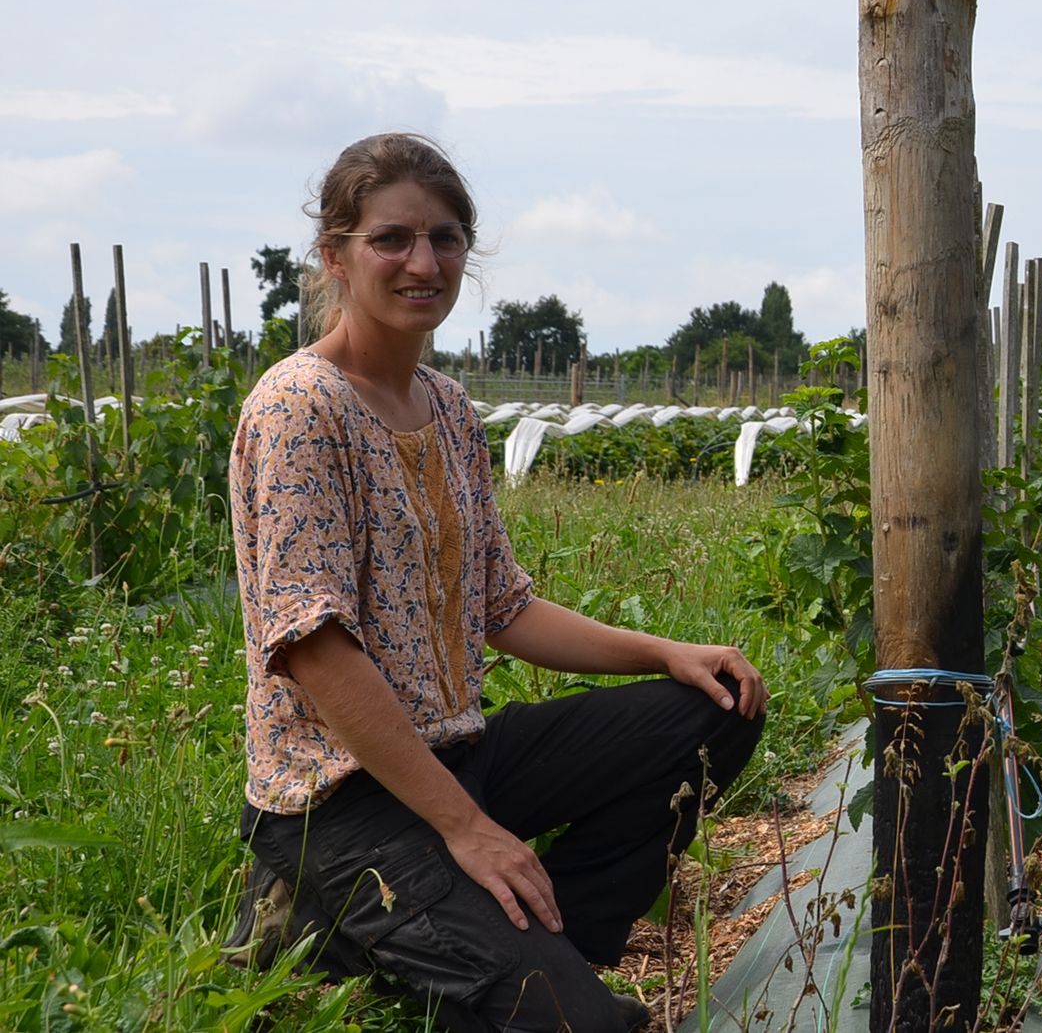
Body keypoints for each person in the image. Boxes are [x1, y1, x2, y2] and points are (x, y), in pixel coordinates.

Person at [226, 132, 768, 1032]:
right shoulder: (297, 409)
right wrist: (466, 830)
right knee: (591, 1030)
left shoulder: (446, 407)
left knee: (715, 710)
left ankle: (562, 948)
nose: (422, 261)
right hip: (345, 801)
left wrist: (667, 652)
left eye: (444, 238)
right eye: (391, 239)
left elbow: (502, 607)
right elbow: (316, 655)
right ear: (335, 254)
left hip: (459, 757)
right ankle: (337, 917)